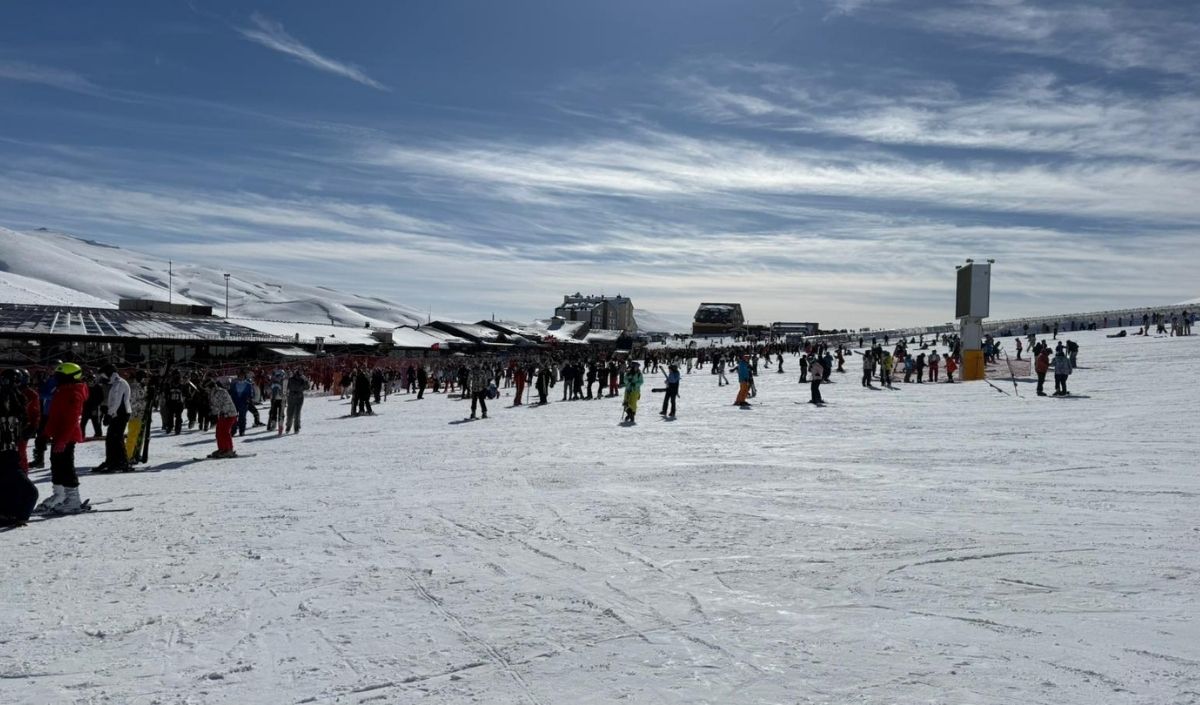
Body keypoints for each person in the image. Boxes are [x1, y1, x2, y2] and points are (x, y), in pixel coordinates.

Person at [34, 362, 89, 514]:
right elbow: (54, 416)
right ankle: (59, 495)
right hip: (58, 434)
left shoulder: (74, 393)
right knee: (56, 465)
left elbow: (72, 419)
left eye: (59, 376)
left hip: (67, 436)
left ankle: (73, 499)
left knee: (65, 466)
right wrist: (45, 433)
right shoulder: (61, 390)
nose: (55, 378)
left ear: (69, 377)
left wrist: (63, 440)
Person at [0, 369, 38, 525]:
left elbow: (25, 417)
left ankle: (10, 514)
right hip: (7, 455)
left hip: (11, 452)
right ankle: (14, 515)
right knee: (29, 493)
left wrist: (29, 428)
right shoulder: (10, 398)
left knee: (18, 491)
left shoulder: (21, 398)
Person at [98, 364, 131, 473]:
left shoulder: (119, 383)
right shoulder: (115, 383)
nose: (103, 377)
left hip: (121, 413)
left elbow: (117, 401)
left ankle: (122, 462)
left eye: (104, 374)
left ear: (109, 373)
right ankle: (112, 461)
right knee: (112, 438)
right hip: (117, 413)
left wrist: (109, 414)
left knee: (116, 438)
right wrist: (106, 408)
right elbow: (113, 401)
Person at [208, 379, 238, 458]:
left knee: (225, 432)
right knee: (218, 432)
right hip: (223, 415)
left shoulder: (220, 392)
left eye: (206, 388)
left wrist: (214, 411)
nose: (206, 390)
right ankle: (222, 449)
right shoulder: (212, 393)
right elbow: (214, 406)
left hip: (229, 414)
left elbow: (224, 404)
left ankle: (229, 450)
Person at [285, 369, 308, 433]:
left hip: (293, 396)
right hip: (297, 397)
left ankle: (289, 427)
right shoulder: (301, 379)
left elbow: (287, 387)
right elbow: (307, 387)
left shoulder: (292, 379)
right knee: (296, 413)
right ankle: (295, 428)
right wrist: (305, 380)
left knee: (291, 413)